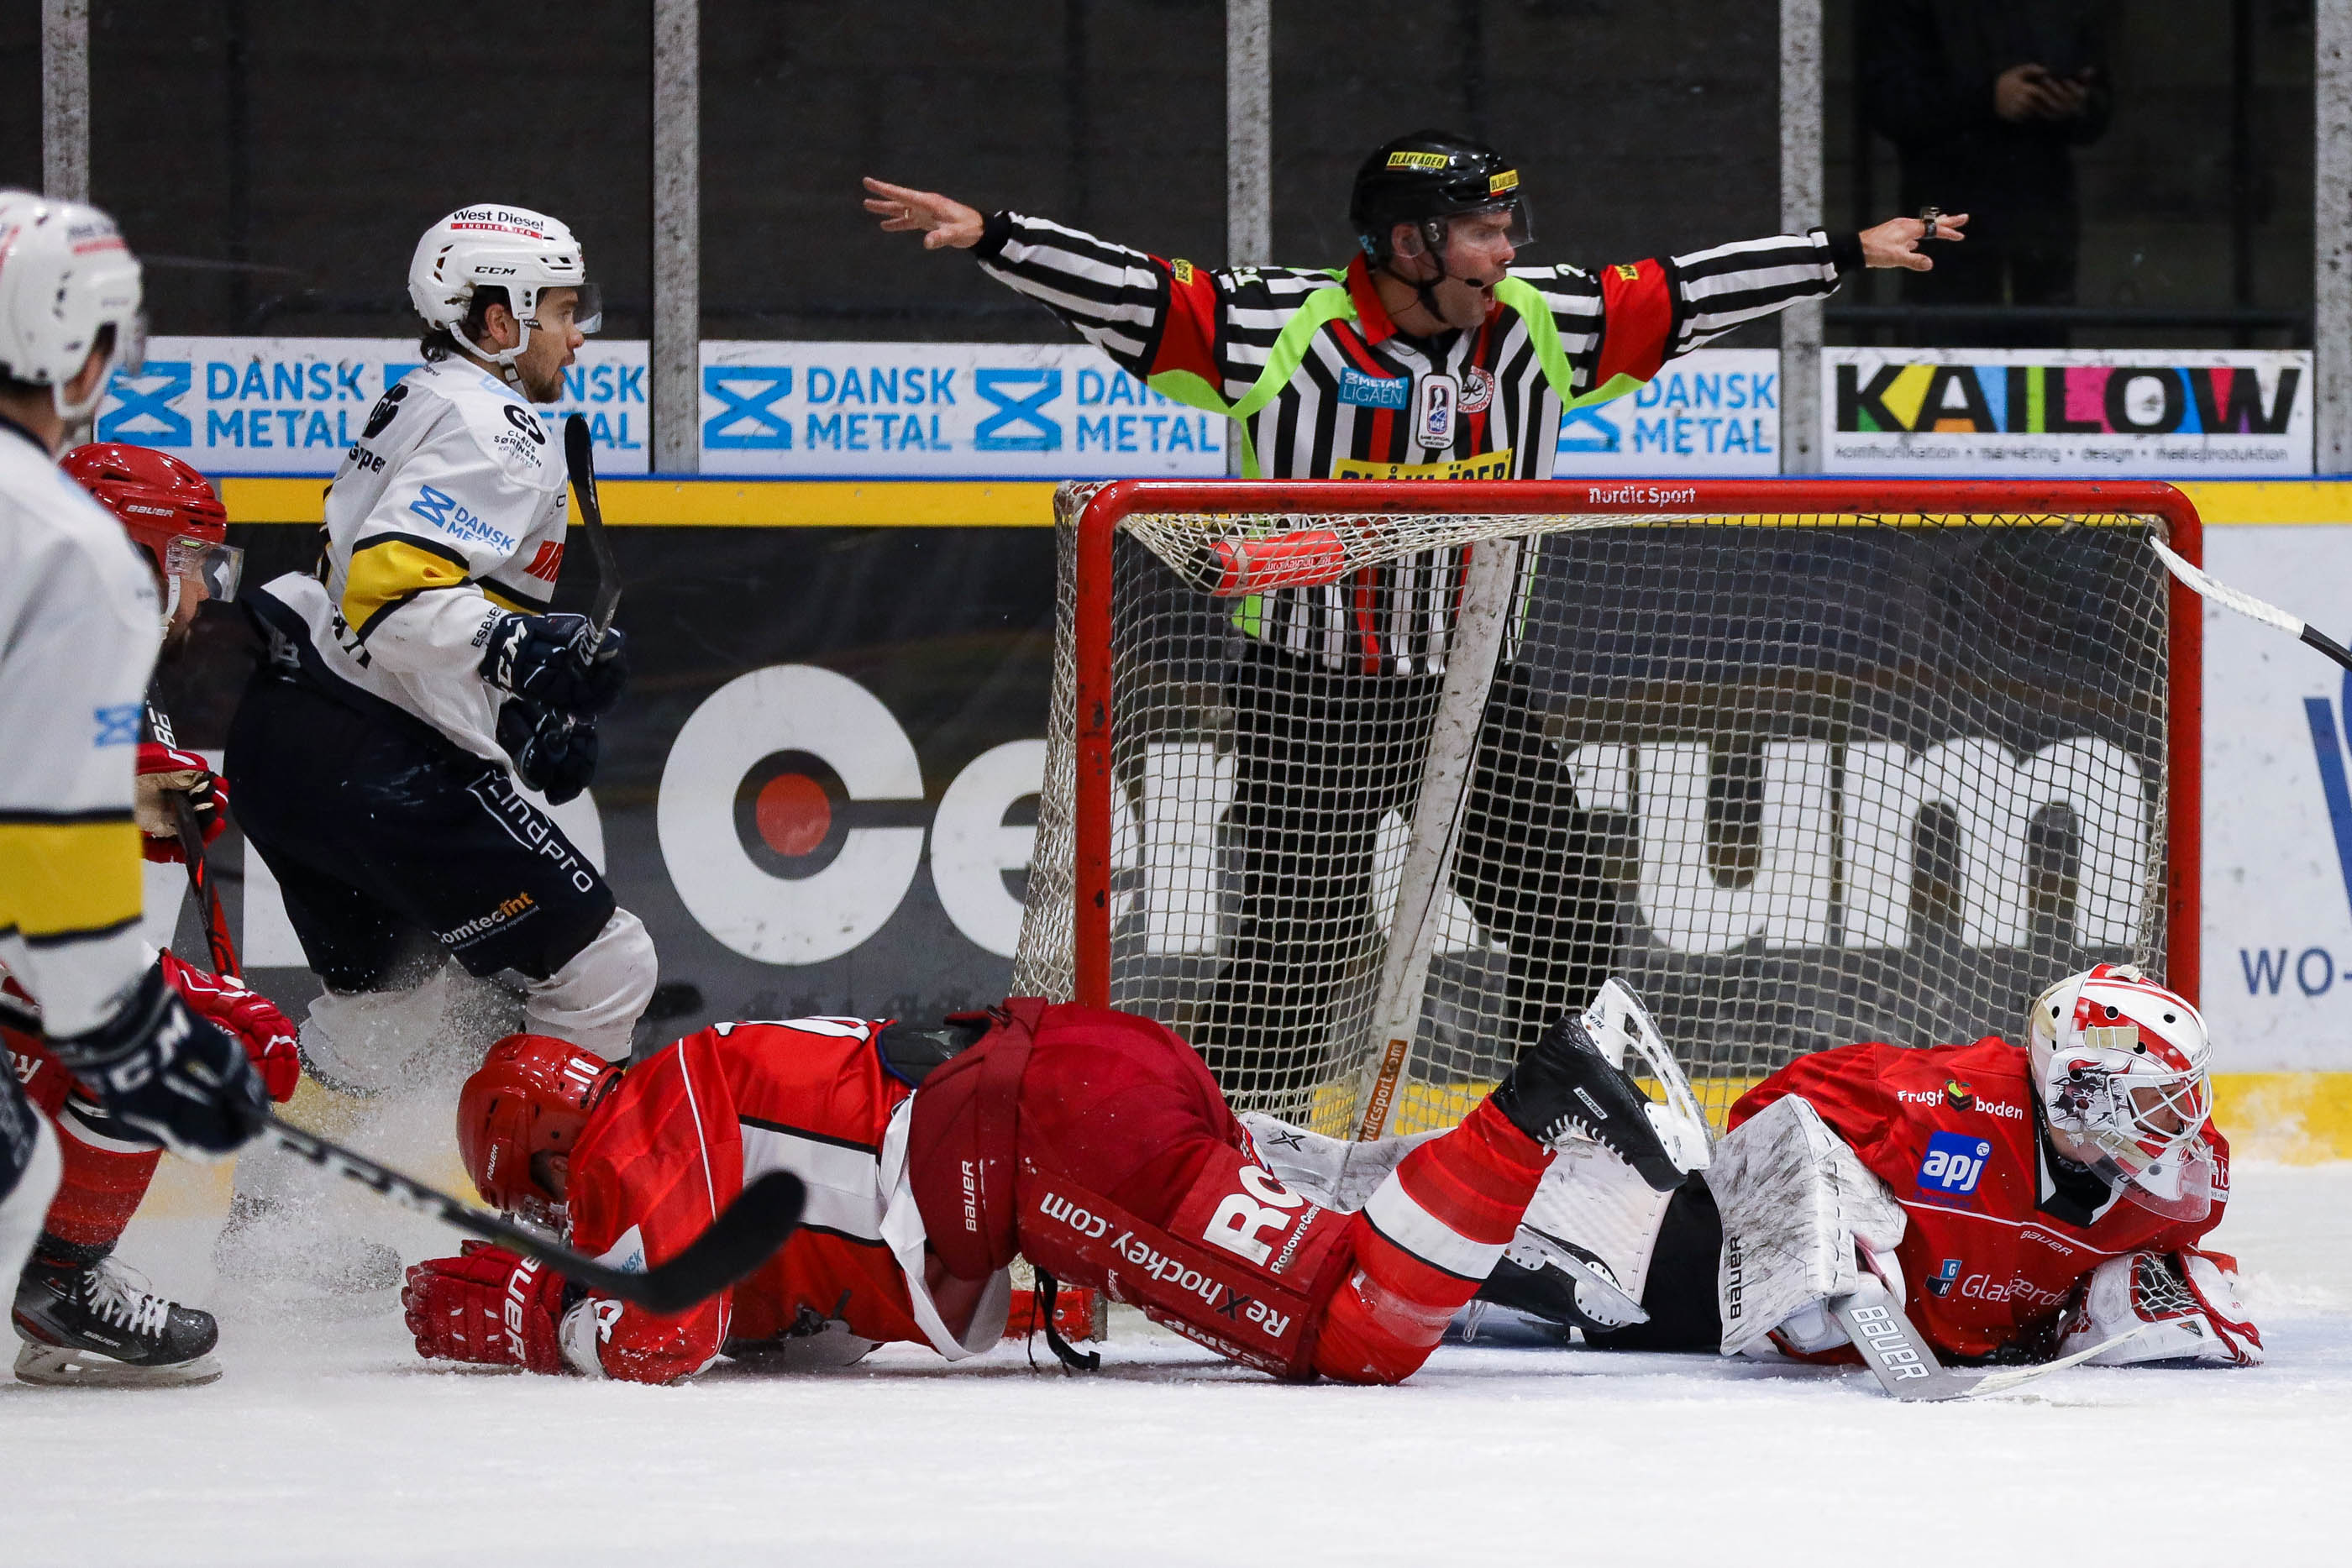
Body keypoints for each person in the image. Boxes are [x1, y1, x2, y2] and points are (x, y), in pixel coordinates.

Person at [864, 133, 1965, 1100]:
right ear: (1407, 245)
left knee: (1569, 916)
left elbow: (1691, 287)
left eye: (1506, 230)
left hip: (1474, 690)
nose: (1507, 254)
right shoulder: (1275, 329)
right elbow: (1132, 290)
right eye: (1482, 233)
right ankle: (1211, 1136)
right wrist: (989, 235)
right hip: (1307, 693)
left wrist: (1850, 251)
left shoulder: (1548, 326)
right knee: (1299, 954)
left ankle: (1539, 1131)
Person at [400, 1002, 1685, 1385]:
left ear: (554, 1145)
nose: (565, 1231)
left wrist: (531, 1313)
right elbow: (813, 1310)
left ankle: (1537, 1108)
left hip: (1049, 1143)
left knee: (1348, 1333)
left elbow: (656, 1334)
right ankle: (1571, 1258)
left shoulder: (642, 1119)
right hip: (1078, 1083)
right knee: (1338, 1262)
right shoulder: (705, 1094)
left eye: (547, 1206)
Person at [226, 203, 650, 1100]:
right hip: (377, 756)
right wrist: (523, 649)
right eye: (563, 312)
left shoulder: (423, 396)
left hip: (287, 732)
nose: (579, 338)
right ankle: (542, 1221)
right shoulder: (500, 424)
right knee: (606, 967)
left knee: (383, 1013)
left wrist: (519, 706)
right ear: (498, 320)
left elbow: (383, 599)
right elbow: (392, 589)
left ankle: (272, 1233)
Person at [0, 191, 272, 1375]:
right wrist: (132, 1029)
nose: (205, 591)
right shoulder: (66, 551)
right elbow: (54, 848)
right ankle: (61, 1281)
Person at [1490, 965, 2260, 1371]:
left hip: (1931, 1342)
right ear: (2081, 1098)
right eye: (2158, 1103)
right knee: (1616, 1288)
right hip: (1739, 1298)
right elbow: (1760, 1114)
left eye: (2184, 1099)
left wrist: (2146, 1301)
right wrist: (1824, 1207)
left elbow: (2164, 1258)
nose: (2185, 1127)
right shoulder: (1943, 1104)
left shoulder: (2184, 1184)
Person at [1861, 1, 2110, 348]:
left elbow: (2101, 99)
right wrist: (1987, 98)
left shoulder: (2059, 13)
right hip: (1945, 210)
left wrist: (2072, 102)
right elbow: (1890, 101)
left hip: (2041, 216)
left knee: (2042, 344)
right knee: (1945, 338)